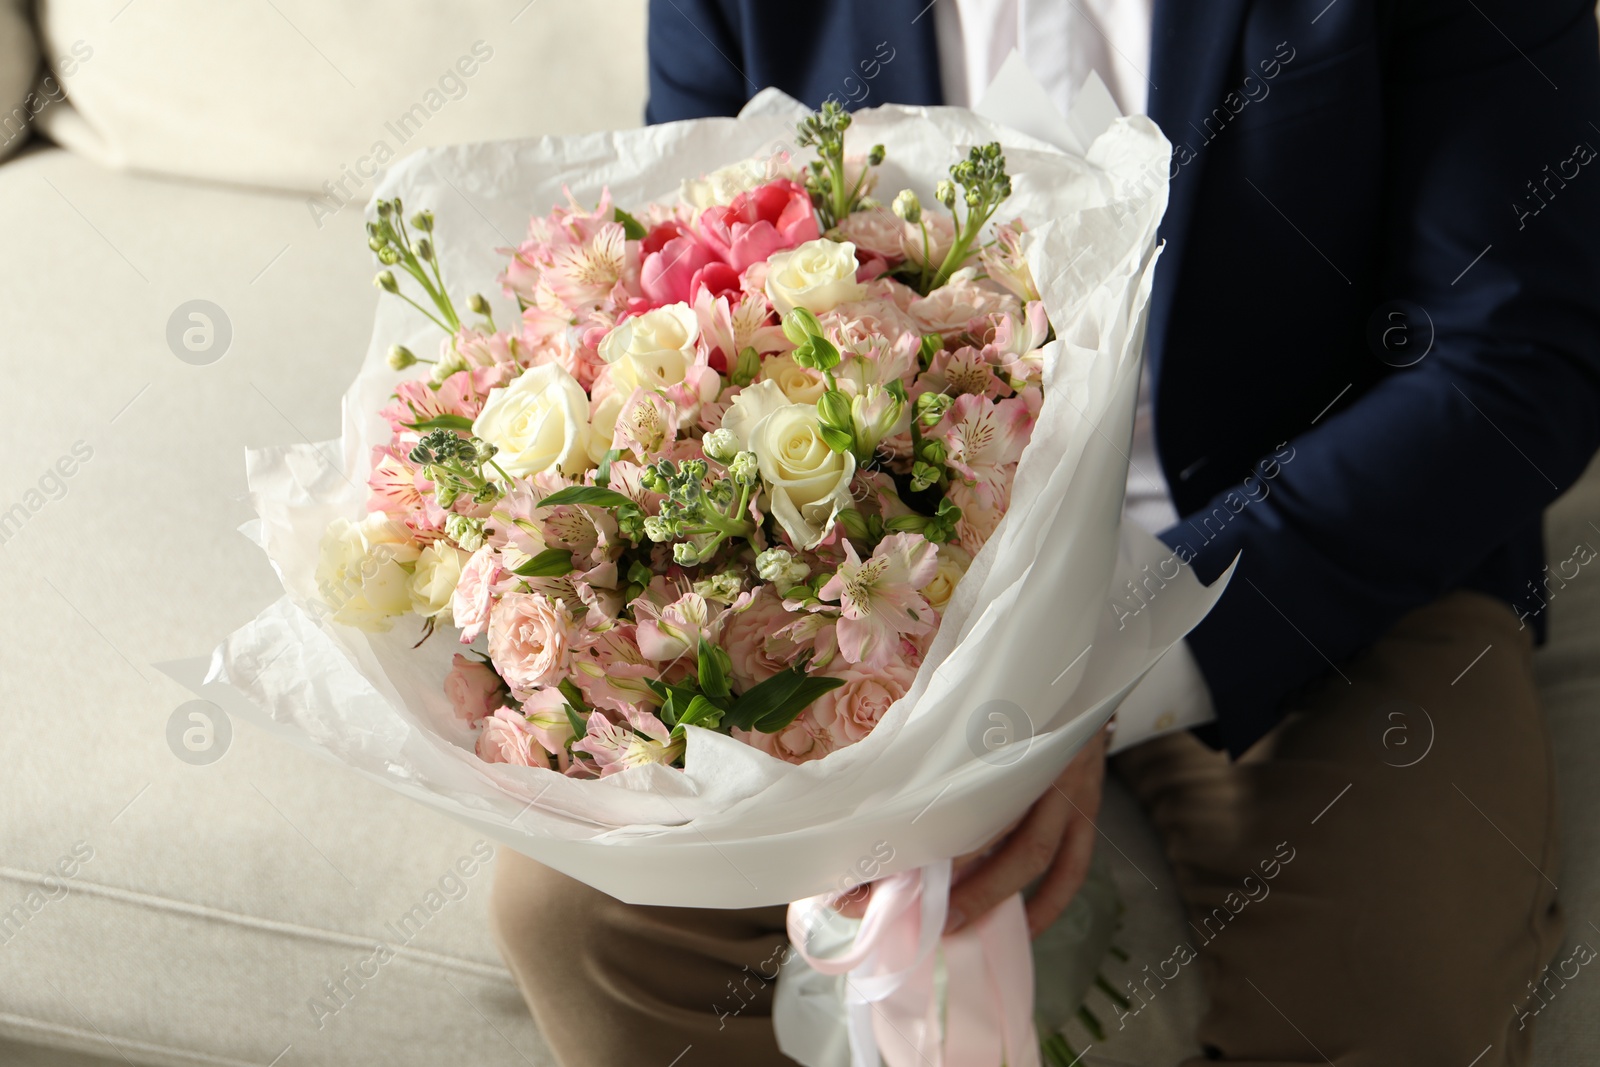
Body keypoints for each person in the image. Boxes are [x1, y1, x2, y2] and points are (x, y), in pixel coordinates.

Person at [493, 1, 1600, 1063]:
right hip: (861, 578)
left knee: (1395, 975)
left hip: (1310, 560)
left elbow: (1513, 363)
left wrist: (1096, 658)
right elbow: (685, 291)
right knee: (574, 918)